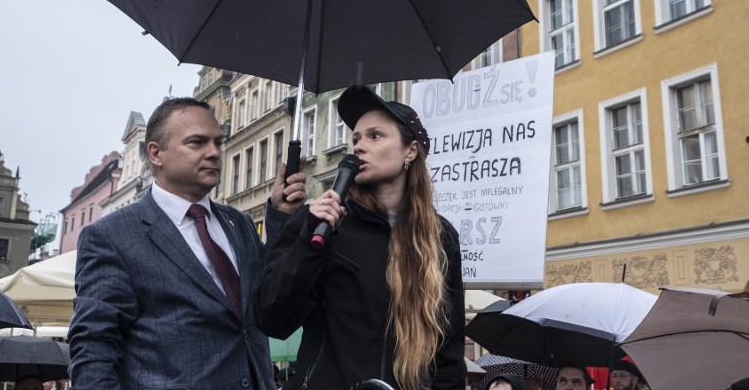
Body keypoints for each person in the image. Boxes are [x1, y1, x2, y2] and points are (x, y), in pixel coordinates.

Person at [69, 97, 306, 389]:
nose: (214, 153)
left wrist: (281, 217)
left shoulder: (239, 224)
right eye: (197, 143)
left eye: (218, 143)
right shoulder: (113, 236)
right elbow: (94, 350)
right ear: (156, 153)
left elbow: (268, 302)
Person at [253, 85, 465, 390]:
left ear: (410, 150)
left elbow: (449, 353)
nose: (359, 146)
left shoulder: (441, 237)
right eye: (355, 139)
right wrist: (311, 241)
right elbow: (271, 317)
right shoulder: (322, 220)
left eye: (375, 136)